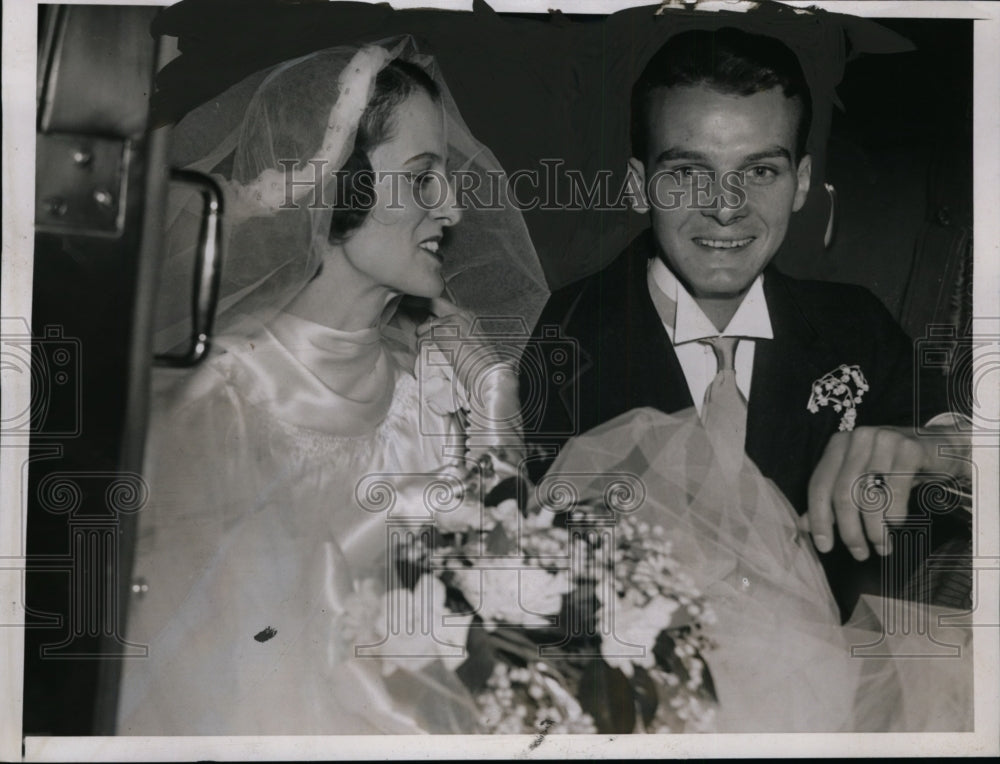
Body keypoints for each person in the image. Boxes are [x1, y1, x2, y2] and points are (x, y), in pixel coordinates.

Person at [116, 40, 547, 735]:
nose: (454, 210)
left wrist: (497, 408)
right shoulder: (220, 392)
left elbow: (508, 611)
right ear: (339, 182)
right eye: (423, 178)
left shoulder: (430, 389)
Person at [523, 27, 971, 621]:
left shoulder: (853, 325)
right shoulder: (558, 340)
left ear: (801, 183)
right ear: (638, 187)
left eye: (760, 172)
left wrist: (937, 449)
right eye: (687, 173)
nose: (726, 205)